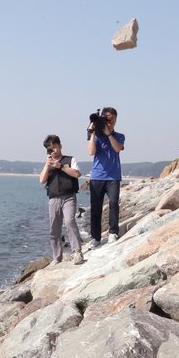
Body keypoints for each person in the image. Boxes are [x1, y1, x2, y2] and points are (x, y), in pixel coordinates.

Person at [40, 134, 85, 264]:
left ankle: (77, 252)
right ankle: (57, 257)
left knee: (70, 221)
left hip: (69, 196)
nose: (53, 150)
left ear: (60, 146)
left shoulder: (70, 159)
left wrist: (60, 166)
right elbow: (42, 180)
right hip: (53, 198)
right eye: (50, 149)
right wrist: (48, 165)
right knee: (54, 228)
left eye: (54, 147)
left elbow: (77, 174)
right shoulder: (48, 164)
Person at [86, 107, 124, 246]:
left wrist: (108, 133)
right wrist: (93, 132)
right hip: (97, 176)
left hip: (113, 176)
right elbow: (91, 152)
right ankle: (95, 237)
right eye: (107, 117)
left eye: (112, 118)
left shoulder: (119, 136)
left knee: (113, 203)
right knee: (95, 208)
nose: (110, 120)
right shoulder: (96, 135)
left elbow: (117, 148)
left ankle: (113, 232)